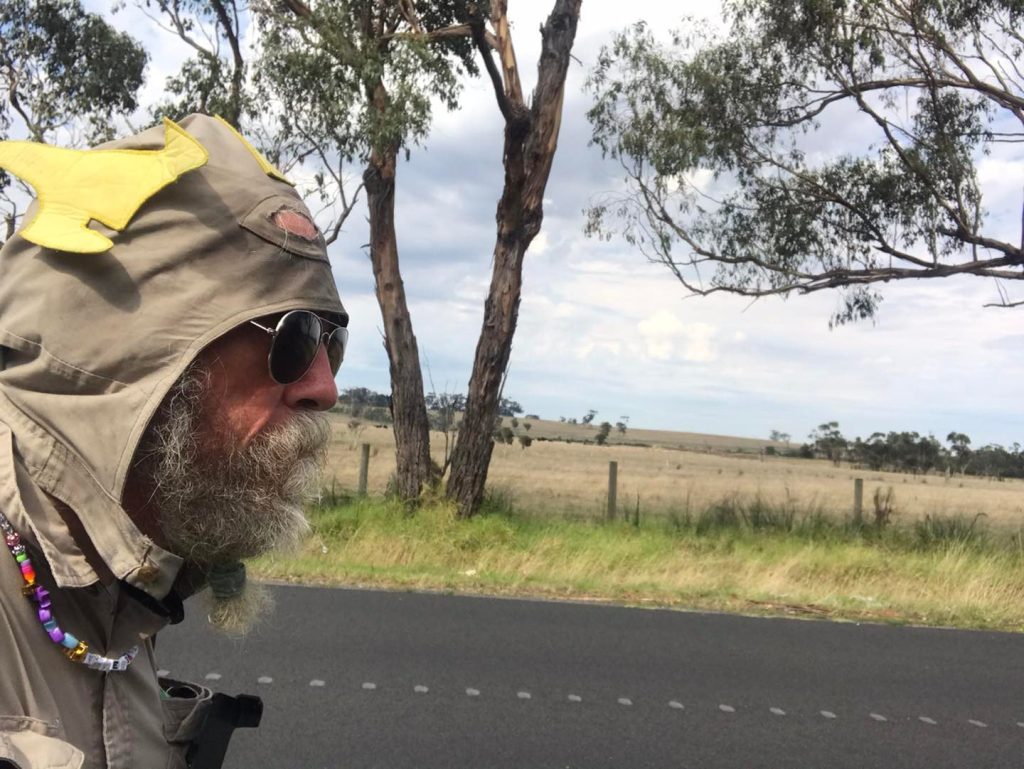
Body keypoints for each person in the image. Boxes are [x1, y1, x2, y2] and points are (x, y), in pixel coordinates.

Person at [0, 114, 347, 768]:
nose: (324, 387)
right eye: (296, 336)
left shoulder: (120, 585)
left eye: (334, 341)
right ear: (135, 353)